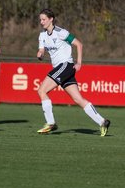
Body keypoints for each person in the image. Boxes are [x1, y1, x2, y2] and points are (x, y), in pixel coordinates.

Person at [36, 8, 110, 136]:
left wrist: (79, 62)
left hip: (65, 65)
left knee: (42, 90)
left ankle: (50, 123)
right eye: (40, 20)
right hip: (61, 69)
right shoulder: (42, 35)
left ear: (51, 19)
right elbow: (42, 50)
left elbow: (79, 44)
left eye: (44, 19)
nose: (41, 22)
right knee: (78, 99)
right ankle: (102, 121)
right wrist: (40, 54)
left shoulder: (61, 32)